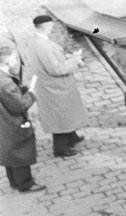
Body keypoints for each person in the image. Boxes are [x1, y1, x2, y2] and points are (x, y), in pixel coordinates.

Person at [25, 15, 87, 159]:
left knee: (66, 114)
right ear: (47, 26)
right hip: (55, 87)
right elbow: (56, 69)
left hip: (51, 85)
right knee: (61, 117)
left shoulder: (36, 41)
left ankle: (72, 137)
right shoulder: (43, 45)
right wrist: (74, 60)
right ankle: (60, 148)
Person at [0, 45, 42, 193]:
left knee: (9, 153)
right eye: (15, 59)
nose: (17, 62)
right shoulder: (5, 83)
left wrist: (20, 91)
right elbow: (19, 106)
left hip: (3, 125)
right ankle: (26, 184)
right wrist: (31, 94)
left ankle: (14, 181)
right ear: (6, 62)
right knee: (21, 152)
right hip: (12, 123)